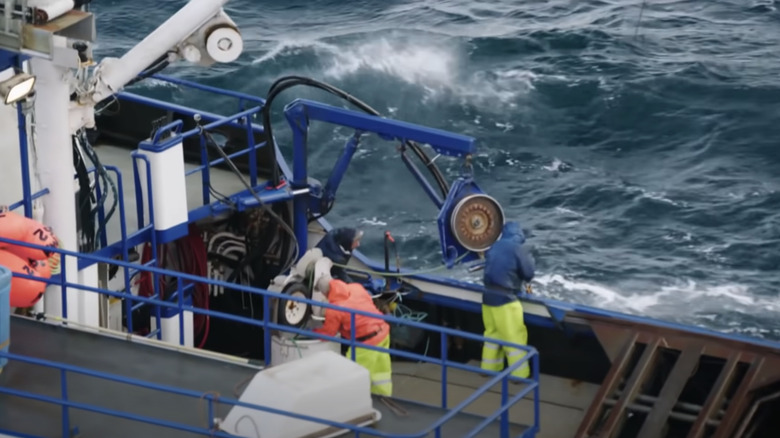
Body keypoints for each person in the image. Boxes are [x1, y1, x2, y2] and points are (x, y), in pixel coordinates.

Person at [312, 265, 393, 397]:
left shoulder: (334, 308)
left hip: (366, 343)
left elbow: (328, 334)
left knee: (350, 373)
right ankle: (384, 398)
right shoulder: (356, 287)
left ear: (324, 293)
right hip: (383, 332)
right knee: (381, 372)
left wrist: (313, 331)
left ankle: (353, 401)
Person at [481, 221, 535, 380]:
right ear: (519, 235)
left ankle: (488, 369)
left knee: (492, 335)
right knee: (515, 338)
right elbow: (528, 273)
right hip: (506, 300)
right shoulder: (518, 248)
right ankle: (520, 375)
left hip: (487, 298)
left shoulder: (494, 246)